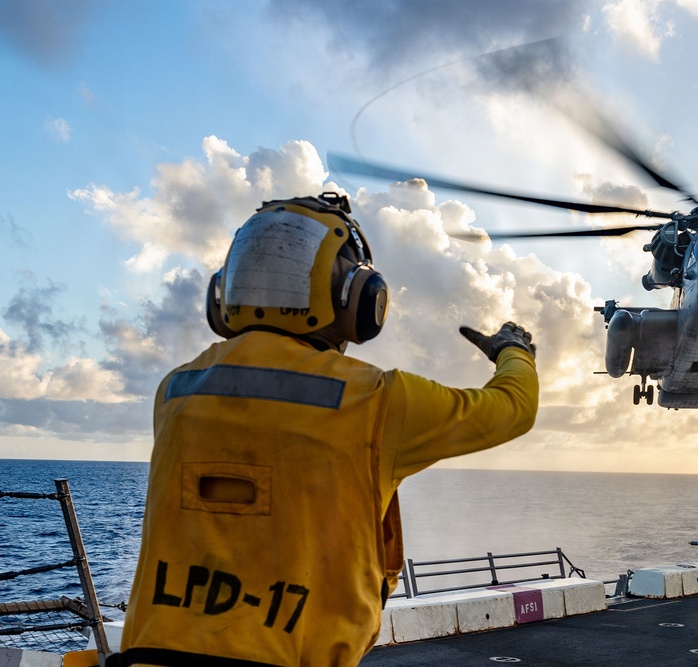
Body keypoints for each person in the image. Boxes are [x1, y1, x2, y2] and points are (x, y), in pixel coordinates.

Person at [115, 193, 538, 666]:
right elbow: (512, 407)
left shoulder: (176, 393)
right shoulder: (374, 399)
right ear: (360, 299)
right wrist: (513, 350)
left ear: (224, 293)